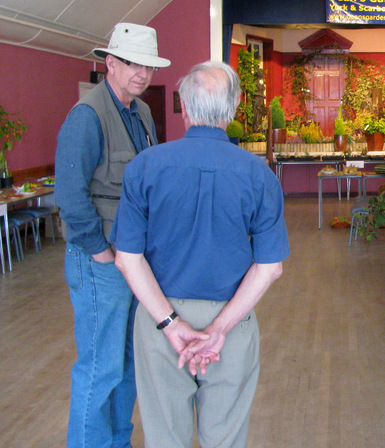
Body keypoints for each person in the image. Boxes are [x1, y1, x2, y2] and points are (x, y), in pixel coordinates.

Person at [113, 61, 289, 448]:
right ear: (234, 107)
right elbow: (269, 267)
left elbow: (127, 258)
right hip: (232, 317)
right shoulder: (258, 174)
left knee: (164, 436)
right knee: (224, 437)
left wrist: (172, 324)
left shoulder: (144, 167)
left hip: (159, 317)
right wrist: (219, 329)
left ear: (184, 107)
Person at [55, 22, 170, 448]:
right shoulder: (87, 116)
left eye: (148, 66)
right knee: (100, 367)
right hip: (100, 261)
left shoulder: (140, 113)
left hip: (133, 259)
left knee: (126, 364)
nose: (141, 73)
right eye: (131, 63)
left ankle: (116, 442)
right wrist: (100, 252)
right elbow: (69, 194)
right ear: (110, 63)